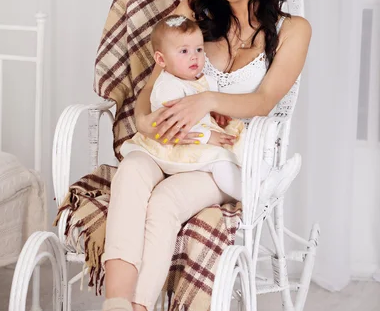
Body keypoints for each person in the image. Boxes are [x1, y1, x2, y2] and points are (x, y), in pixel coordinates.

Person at [90, 0, 311, 311]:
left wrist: (206, 99)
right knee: (131, 172)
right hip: (169, 143)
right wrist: (145, 120)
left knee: (167, 200)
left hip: (222, 156)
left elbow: (266, 99)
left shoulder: (293, 30)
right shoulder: (196, 16)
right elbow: (153, 85)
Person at [120, 13, 300, 203]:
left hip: (200, 135)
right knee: (220, 162)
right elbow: (176, 125)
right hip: (178, 144)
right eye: (184, 52)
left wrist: (216, 111)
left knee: (240, 139)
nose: (194, 57)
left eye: (198, 49)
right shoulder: (168, 87)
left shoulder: (199, 79)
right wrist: (208, 137)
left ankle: (269, 175)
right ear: (161, 60)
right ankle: (251, 196)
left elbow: (210, 97)